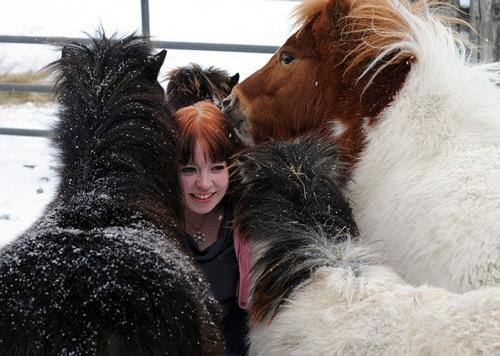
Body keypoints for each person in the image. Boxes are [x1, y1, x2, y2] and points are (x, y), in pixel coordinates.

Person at [174, 100, 248, 355]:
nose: (204, 184)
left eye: (217, 168)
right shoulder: (155, 228)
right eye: (189, 169)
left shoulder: (246, 225)